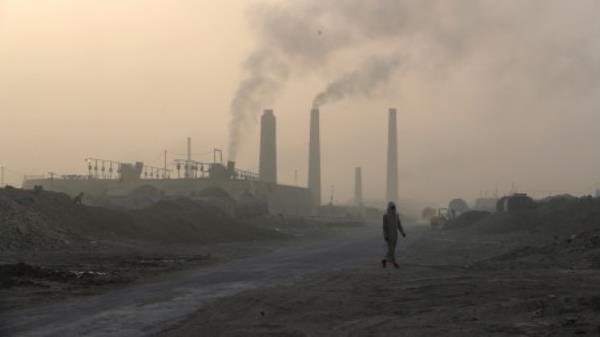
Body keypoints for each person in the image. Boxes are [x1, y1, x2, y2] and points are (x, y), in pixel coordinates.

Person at [382, 201, 406, 269]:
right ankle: (395, 263)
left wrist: (402, 233)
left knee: (392, 250)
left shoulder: (396, 216)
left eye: (394, 207)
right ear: (389, 207)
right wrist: (385, 236)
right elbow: (384, 228)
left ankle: (385, 260)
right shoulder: (385, 216)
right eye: (392, 207)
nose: (393, 209)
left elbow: (399, 225)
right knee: (391, 250)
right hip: (389, 236)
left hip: (395, 236)